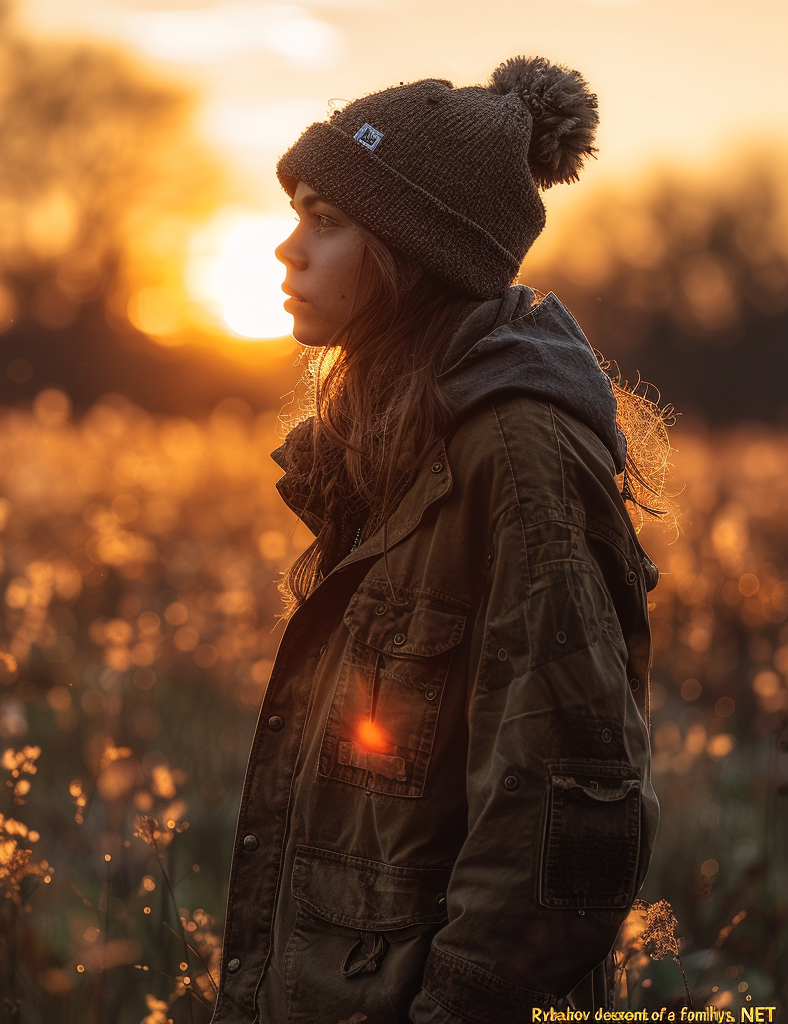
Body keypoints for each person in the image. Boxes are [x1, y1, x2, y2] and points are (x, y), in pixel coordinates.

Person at [211, 56, 671, 1024]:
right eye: (295, 212)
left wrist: (460, 1003)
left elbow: (566, 800)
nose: (286, 250)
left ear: (413, 250)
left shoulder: (518, 454)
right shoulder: (387, 439)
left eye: (326, 220)